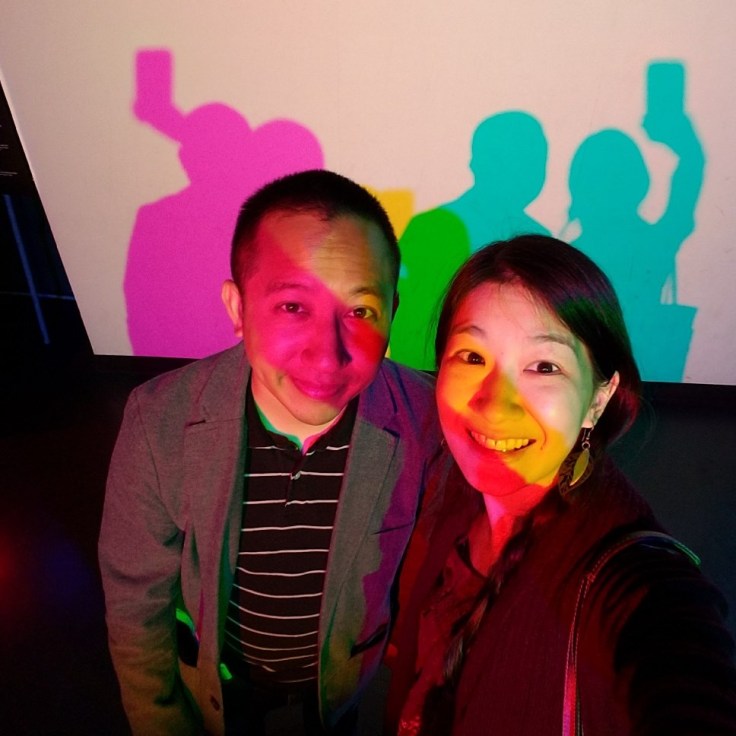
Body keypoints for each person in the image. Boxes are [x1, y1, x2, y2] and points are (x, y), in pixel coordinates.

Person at [99, 170, 442, 736]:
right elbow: (137, 606)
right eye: (293, 307)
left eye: (360, 311)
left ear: (392, 312)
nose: (328, 356)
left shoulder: (426, 421)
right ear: (237, 309)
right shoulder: (158, 421)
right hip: (219, 684)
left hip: (346, 688)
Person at [387, 235, 736, 735]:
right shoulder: (445, 491)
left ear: (599, 398)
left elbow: (680, 659)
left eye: (544, 366)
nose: (494, 404)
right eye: (472, 357)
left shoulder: (624, 572)